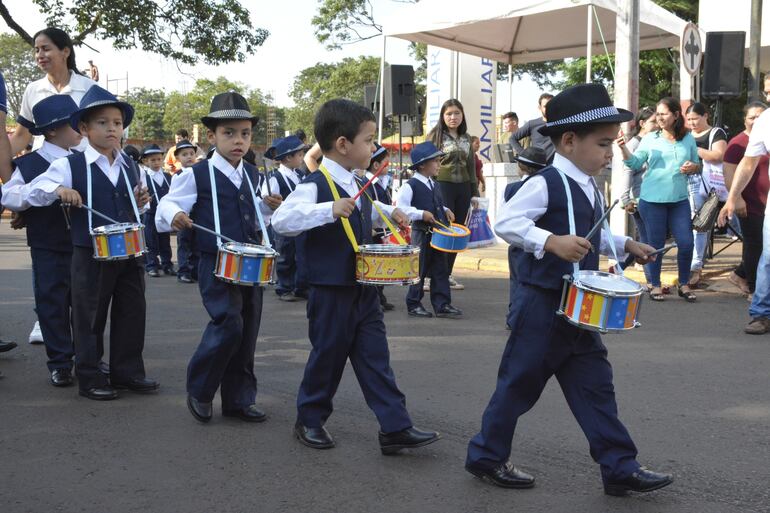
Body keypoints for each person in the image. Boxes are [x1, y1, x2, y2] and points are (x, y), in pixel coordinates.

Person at [466, 83, 671, 496]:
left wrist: (626, 245)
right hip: (541, 307)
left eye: (612, 143)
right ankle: (486, 456)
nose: (610, 153)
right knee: (518, 385)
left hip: (580, 308)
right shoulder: (545, 182)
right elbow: (507, 222)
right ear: (570, 141)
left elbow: (592, 234)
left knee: (596, 387)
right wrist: (549, 241)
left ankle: (619, 466)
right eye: (603, 144)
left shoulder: (589, 184)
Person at [271, 98, 440, 453]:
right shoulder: (314, 185)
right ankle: (309, 420)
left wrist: (392, 213)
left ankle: (395, 427)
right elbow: (282, 221)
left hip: (364, 288)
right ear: (343, 144)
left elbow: (366, 210)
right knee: (328, 357)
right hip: (330, 289)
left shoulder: (357, 181)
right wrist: (328, 209)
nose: (374, 147)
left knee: (375, 357)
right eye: (369, 140)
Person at [25, 85, 158, 400]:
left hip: (130, 251)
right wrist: (59, 190)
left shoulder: (130, 165)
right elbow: (35, 190)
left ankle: (127, 372)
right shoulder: (69, 165)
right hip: (90, 252)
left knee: (132, 311)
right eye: (103, 122)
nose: (112, 128)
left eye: (117, 123)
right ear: (84, 129)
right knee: (89, 316)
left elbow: (139, 204)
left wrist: (141, 202)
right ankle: (90, 376)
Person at [156, 92, 283, 423]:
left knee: (248, 329)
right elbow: (167, 204)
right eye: (229, 133)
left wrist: (267, 208)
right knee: (228, 322)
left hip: (250, 263)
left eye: (245, 133)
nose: (238, 140)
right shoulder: (195, 174)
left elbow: (255, 217)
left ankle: (239, 399)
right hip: (214, 261)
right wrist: (175, 215)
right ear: (211, 137)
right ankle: (200, 389)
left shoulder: (253, 174)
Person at [1, 94, 81, 386]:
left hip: (83, 244)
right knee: (52, 303)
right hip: (47, 244)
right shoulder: (29, 163)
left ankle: (87, 358)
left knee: (85, 305)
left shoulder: (82, 160)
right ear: (52, 130)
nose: (81, 129)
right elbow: (9, 195)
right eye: (75, 124)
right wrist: (47, 191)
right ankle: (60, 362)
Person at [618, 97, 700, 302]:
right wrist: (623, 148)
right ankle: (654, 285)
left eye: (664, 114)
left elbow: (697, 164)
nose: (659, 118)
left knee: (686, 242)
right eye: (658, 114)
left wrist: (693, 167)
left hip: (679, 200)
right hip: (651, 201)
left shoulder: (688, 138)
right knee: (655, 245)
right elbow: (634, 163)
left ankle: (684, 284)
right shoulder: (650, 138)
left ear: (676, 115)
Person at [720, 104, 770, 335]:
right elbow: (748, 163)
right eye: (767, 91)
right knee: (767, 259)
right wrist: (733, 197)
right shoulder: (765, 120)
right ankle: (761, 314)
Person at [397, 141, 461, 319]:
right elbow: (401, 208)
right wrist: (420, 214)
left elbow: (436, 203)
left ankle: (442, 304)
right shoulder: (410, 185)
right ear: (422, 165)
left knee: (441, 268)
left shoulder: (434, 184)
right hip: (421, 233)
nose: (439, 164)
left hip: (438, 234)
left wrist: (445, 209)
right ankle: (414, 303)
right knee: (419, 269)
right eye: (436, 161)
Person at [11, 28, 96, 156]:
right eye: (37, 50)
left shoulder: (90, 88)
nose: (40, 55)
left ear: (65, 51)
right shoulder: (33, 89)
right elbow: (21, 136)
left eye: (46, 49)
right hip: (43, 166)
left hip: (83, 165)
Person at [427, 99, 480, 290]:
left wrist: (475, 194)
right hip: (442, 187)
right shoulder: (435, 136)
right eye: (449, 113)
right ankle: (430, 276)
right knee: (442, 229)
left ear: (462, 115)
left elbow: (471, 167)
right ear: (442, 116)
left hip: (463, 188)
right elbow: (426, 165)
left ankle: (447, 274)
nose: (453, 117)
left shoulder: (467, 138)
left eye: (457, 113)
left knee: (457, 231)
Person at [502, 146, 548, 330]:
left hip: (517, 243)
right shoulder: (545, 187)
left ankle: (514, 316)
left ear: (520, 166)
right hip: (539, 242)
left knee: (516, 281)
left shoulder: (511, 188)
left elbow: (504, 216)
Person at [685, 102, 728, 287]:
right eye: (688, 120)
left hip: (709, 185)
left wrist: (694, 151)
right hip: (685, 183)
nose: (692, 123)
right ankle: (690, 264)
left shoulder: (716, 133)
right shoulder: (686, 134)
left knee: (700, 225)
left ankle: (696, 266)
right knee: (688, 225)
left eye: (695, 118)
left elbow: (719, 155)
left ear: (705, 116)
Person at [616, 107, 656, 281]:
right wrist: (626, 199)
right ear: (642, 124)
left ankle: (619, 267)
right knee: (648, 240)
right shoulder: (634, 144)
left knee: (648, 240)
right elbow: (627, 172)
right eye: (653, 122)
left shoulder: (653, 141)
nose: (657, 125)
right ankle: (652, 282)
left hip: (653, 198)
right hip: (638, 199)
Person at [266, 135, 307, 301]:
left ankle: (300, 286)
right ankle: (284, 288)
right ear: (289, 157)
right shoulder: (275, 177)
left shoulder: (300, 175)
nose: (302, 158)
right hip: (283, 224)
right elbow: (268, 199)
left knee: (301, 255)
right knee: (285, 256)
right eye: (300, 155)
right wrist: (271, 200)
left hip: (300, 222)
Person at [139, 144, 175, 277]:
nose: (156, 162)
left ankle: (167, 265)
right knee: (150, 240)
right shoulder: (144, 177)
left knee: (165, 240)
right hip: (150, 214)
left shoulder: (167, 176)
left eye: (159, 159)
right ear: (145, 161)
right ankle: (152, 265)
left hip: (164, 214)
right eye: (153, 160)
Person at [171, 139, 199, 284]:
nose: (189, 157)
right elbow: (173, 196)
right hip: (183, 214)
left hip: (198, 214)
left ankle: (195, 270)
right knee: (184, 242)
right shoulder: (177, 175)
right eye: (184, 154)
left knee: (197, 243)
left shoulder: (199, 172)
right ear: (177, 158)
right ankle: (183, 270)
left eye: (191, 153)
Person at [508, 93, 555, 163]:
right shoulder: (532, 124)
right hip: (538, 166)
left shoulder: (561, 123)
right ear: (539, 107)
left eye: (551, 105)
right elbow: (512, 138)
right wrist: (524, 154)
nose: (549, 108)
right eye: (545, 106)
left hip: (557, 166)